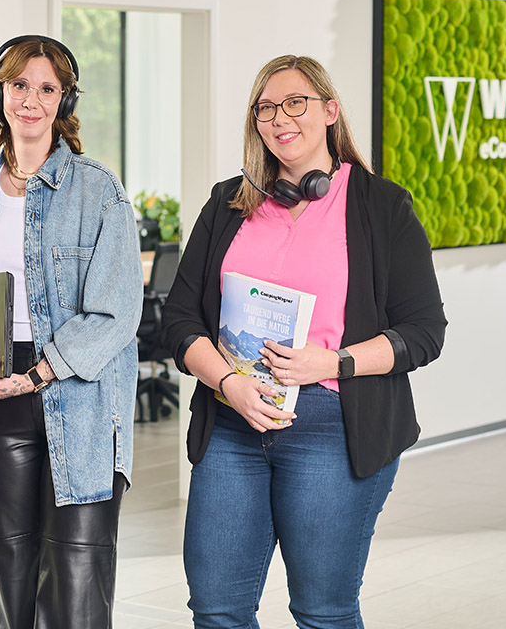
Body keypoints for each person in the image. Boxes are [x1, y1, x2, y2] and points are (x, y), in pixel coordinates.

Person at [159, 55, 447, 628]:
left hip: (332, 427)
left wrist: (330, 362)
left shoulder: (381, 206)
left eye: (296, 103)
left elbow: (423, 332)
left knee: (322, 612)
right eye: (266, 107)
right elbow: (179, 320)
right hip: (233, 424)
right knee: (217, 611)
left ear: (330, 111)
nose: (279, 118)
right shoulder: (227, 203)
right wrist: (227, 382)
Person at [0, 35, 143, 628]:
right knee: (15, 579)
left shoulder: (97, 190)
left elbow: (116, 312)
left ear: (64, 101)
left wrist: (38, 374)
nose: (32, 100)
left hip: (78, 395)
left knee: (76, 588)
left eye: (47, 88)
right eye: (20, 85)